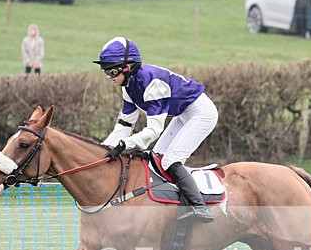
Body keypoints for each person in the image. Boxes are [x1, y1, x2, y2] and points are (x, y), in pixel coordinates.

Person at [93, 36, 218, 223]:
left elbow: (154, 130)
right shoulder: (128, 86)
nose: (108, 75)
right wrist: (103, 148)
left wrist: (125, 144)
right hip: (184, 114)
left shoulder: (151, 84)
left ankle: (198, 207)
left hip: (201, 113)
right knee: (156, 158)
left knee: (171, 160)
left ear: (128, 67)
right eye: (105, 70)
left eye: (112, 70)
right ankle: (171, 203)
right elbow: (125, 124)